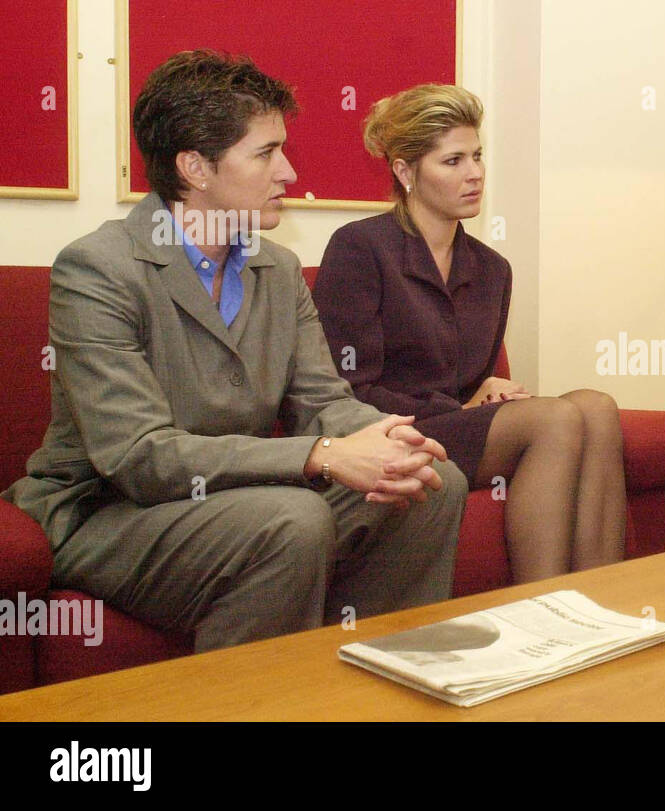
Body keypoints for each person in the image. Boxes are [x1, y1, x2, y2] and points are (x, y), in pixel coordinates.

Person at [1, 50, 468, 652]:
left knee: (433, 483)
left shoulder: (277, 268)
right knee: (291, 522)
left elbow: (323, 400)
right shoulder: (97, 269)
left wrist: (388, 439)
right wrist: (322, 455)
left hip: (240, 498)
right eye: (266, 152)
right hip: (109, 511)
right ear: (195, 167)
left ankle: (370, 688)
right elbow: (139, 456)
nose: (289, 173)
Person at [313, 84, 625, 583]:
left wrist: (484, 391)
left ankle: (600, 603)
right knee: (556, 418)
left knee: (597, 406)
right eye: (453, 161)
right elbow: (347, 387)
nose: (475, 173)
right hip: (386, 430)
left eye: (477, 156)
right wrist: (457, 408)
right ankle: (542, 610)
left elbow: (468, 380)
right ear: (405, 171)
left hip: (451, 423)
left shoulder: (492, 268)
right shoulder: (360, 248)